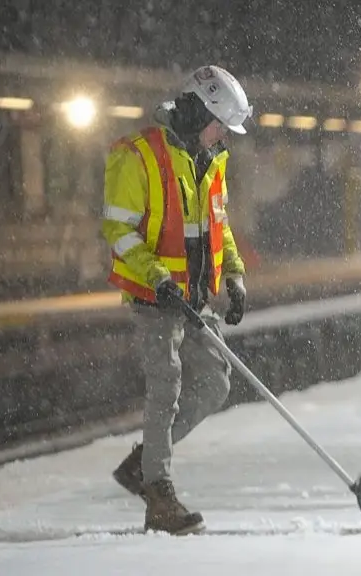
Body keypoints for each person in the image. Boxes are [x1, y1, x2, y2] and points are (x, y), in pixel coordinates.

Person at [102, 65, 252, 534]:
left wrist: (235, 275)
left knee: (214, 382)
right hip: (154, 296)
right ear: (196, 110)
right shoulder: (138, 155)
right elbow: (118, 230)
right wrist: (158, 278)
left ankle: (142, 464)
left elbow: (218, 226)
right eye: (219, 124)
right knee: (166, 385)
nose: (223, 135)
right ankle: (159, 494)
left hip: (193, 298)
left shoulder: (212, 161)